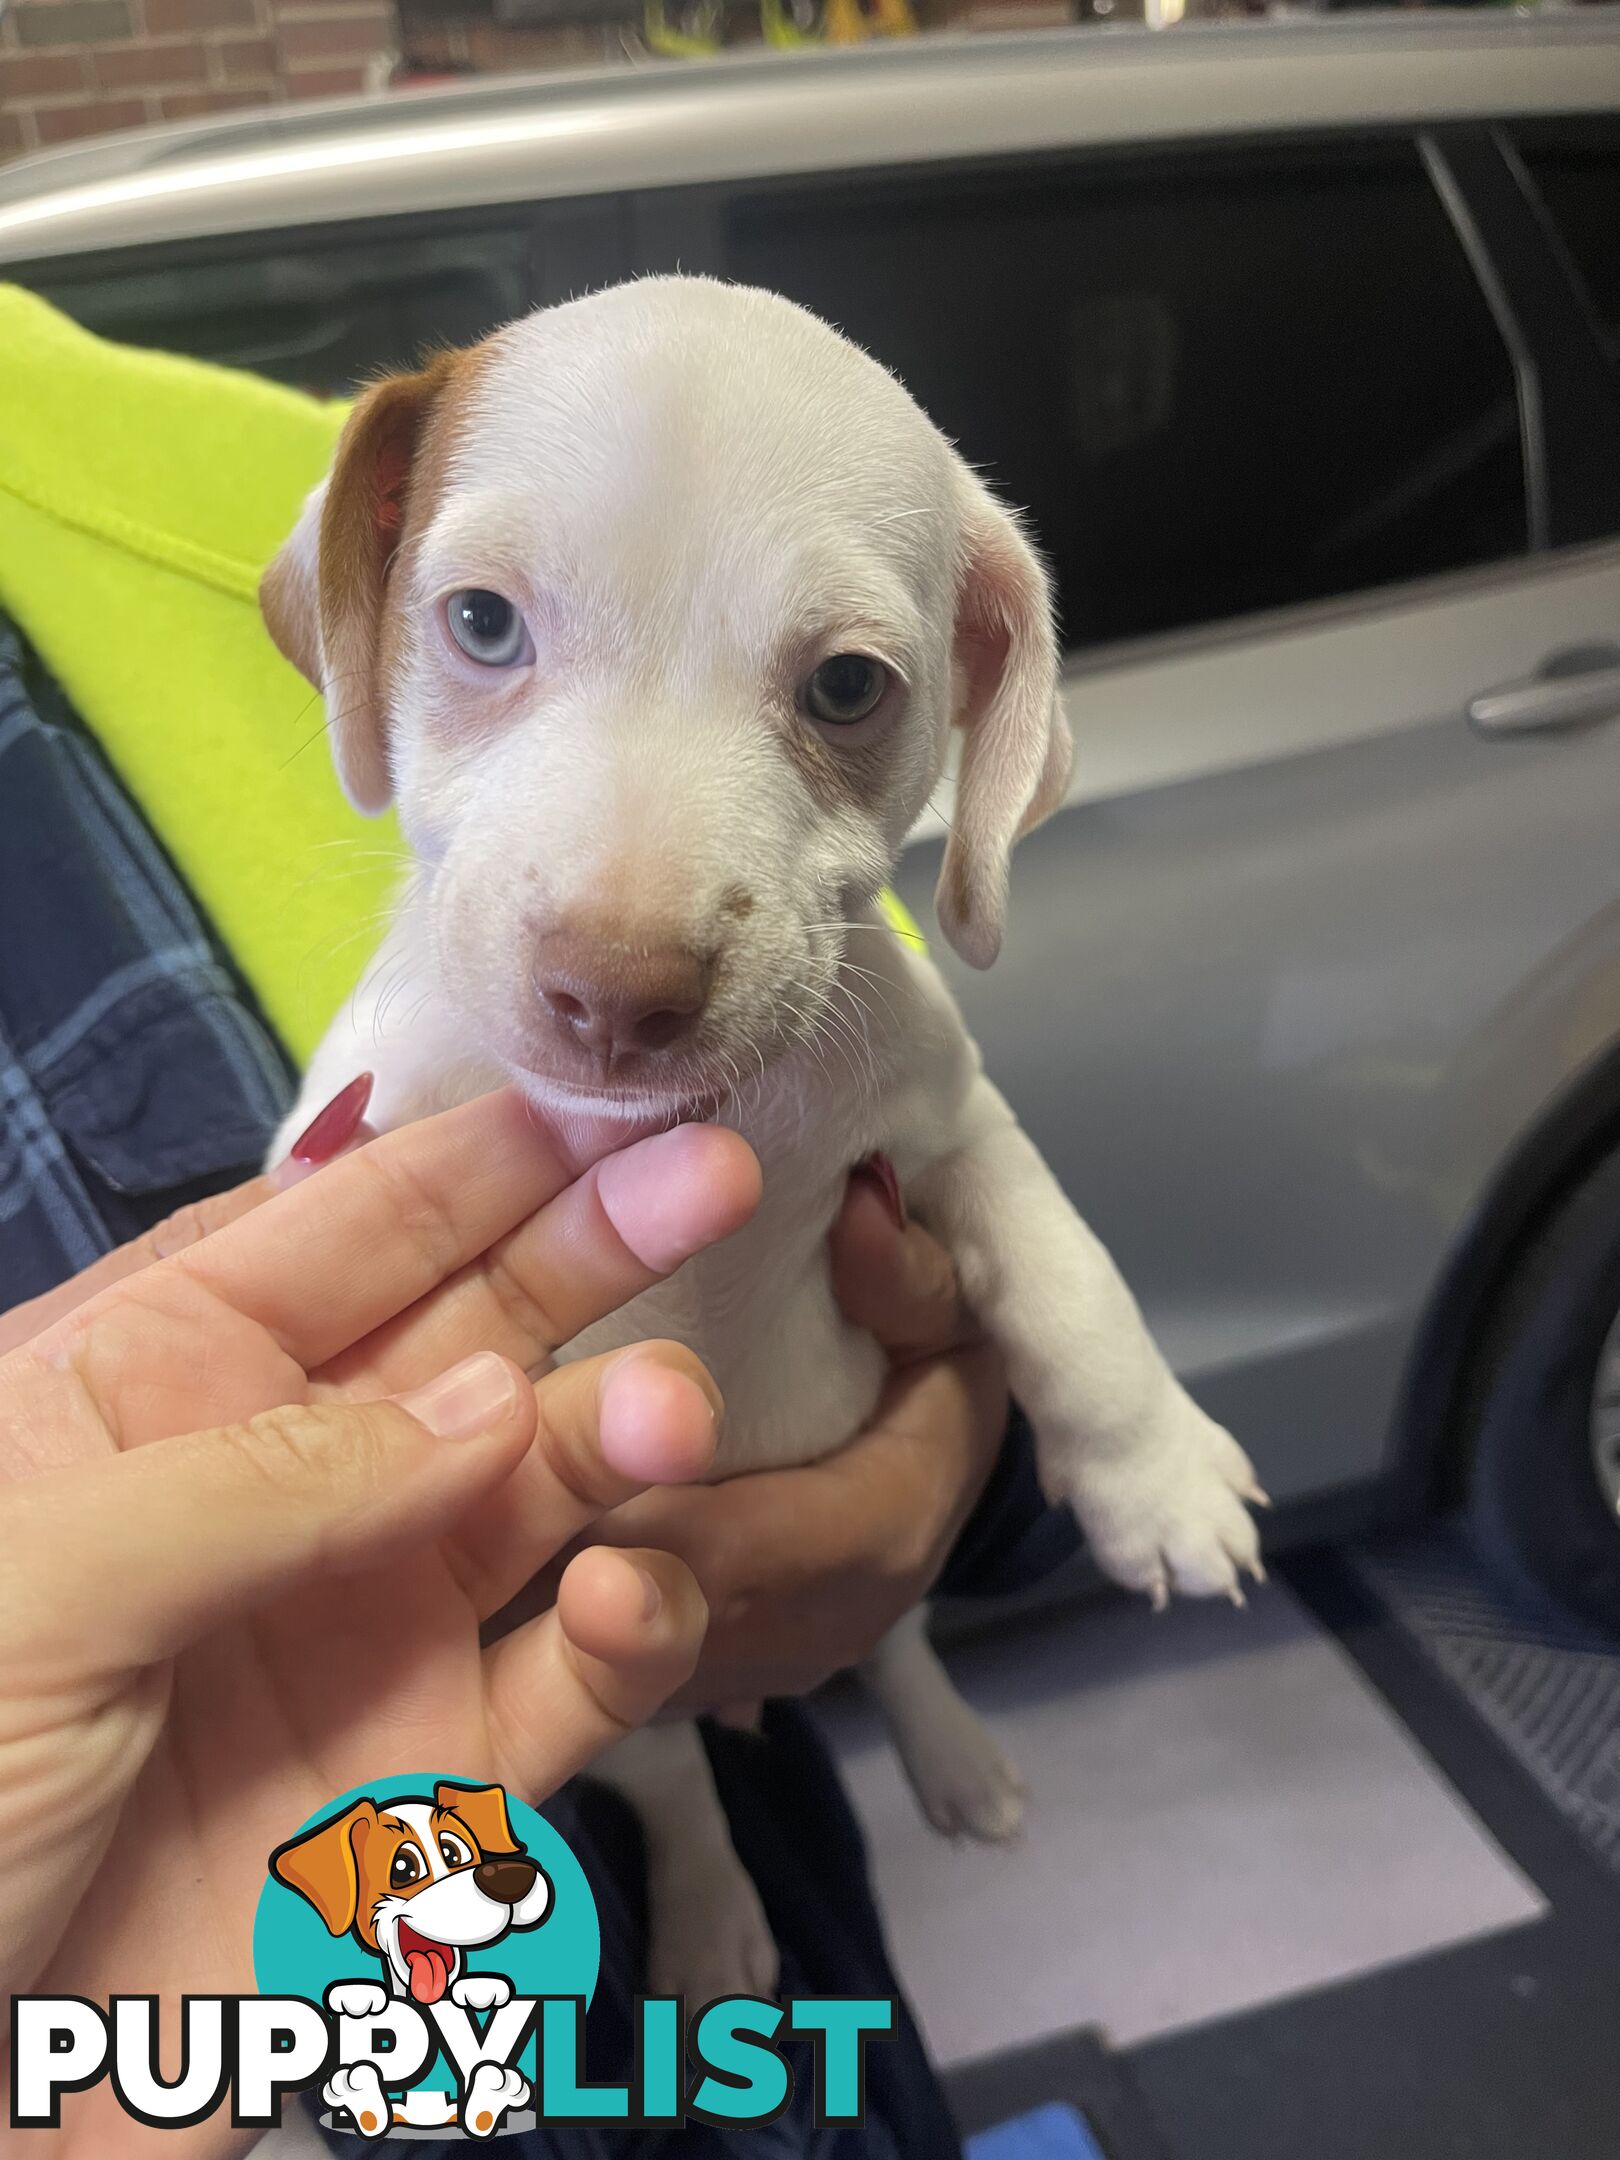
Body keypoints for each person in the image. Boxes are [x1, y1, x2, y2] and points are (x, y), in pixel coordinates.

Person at [0, 1078, 1047, 2156]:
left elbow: (930, 1145)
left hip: (663, 1508)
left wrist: (954, 1451)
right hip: (410, 1790)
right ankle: (700, 1830)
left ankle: (870, 1690)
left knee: (635, 1602)